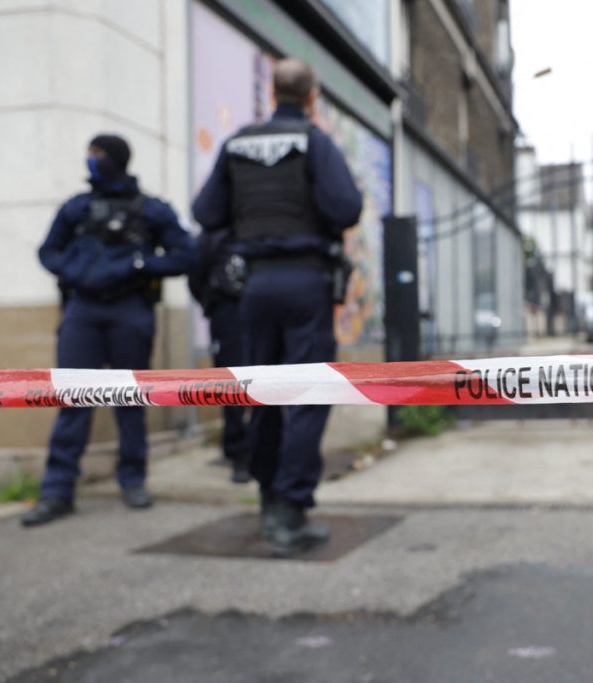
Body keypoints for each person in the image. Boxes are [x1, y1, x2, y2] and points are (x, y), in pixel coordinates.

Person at [192, 58, 363, 556]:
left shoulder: (237, 144)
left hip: (255, 287)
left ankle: (269, 500)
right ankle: (290, 510)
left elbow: (206, 214)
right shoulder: (316, 142)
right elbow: (346, 209)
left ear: (272, 92)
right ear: (311, 97)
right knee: (307, 395)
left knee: (260, 393)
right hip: (305, 283)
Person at [22, 134, 198, 527]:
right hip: (83, 310)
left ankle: (133, 480)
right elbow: (48, 252)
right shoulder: (77, 208)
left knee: (130, 400)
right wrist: (77, 271)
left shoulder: (152, 210)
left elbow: (187, 255)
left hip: (130, 311)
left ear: (116, 158)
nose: (91, 160)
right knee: (71, 398)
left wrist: (139, 265)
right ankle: (57, 490)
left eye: (98, 154)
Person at [187, 229, 252, 483]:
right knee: (231, 385)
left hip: (264, 308)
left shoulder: (263, 228)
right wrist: (211, 303)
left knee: (275, 384)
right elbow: (196, 271)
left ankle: (269, 449)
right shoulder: (217, 233)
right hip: (228, 311)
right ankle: (239, 455)